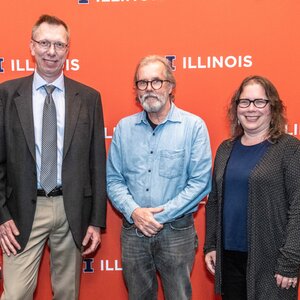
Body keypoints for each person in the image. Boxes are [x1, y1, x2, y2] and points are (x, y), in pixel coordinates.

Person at [0, 15, 106, 300]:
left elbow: (97, 163)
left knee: (67, 294)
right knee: (15, 294)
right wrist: (1, 215)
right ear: (31, 46)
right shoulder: (6, 95)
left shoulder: (89, 98)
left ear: (68, 50)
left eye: (59, 44)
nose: (51, 51)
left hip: (72, 210)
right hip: (21, 210)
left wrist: (95, 220)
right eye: (44, 43)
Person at [107, 55, 212, 300]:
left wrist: (156, 217)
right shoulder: (124, 128)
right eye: (142, 83)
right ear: (136, 90)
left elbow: (199, 184)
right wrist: (135, 212)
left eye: (156, 82)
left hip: (176, 232)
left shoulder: (193, 126)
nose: (149, 89)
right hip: (133, 233)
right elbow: (113, 179)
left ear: (170, 86)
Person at [204, 75, 300, 300]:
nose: (251, 109)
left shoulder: (290, 149)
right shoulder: (225, 149)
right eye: (244, 102)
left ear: (272, 108)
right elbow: (215, 201)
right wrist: (211, 245)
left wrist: (290, 260)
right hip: (229, 259)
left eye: (259, 102)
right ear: (236, 107)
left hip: (272, 261)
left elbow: (298, 208)